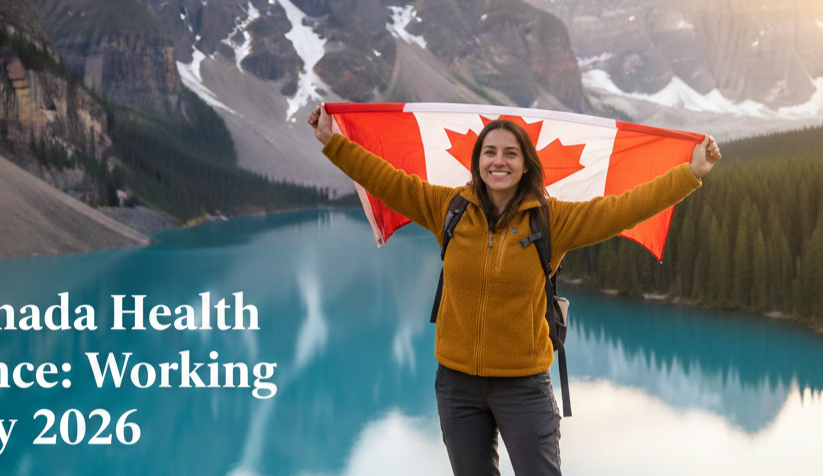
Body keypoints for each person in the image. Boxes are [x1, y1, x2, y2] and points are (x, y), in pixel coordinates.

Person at [307, 105, 721, 476]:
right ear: (477, 162)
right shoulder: (448, 209)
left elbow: (623, 208)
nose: (498, 161)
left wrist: (691, 173)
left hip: (524, 386)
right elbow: (386, 180)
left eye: (510, 153)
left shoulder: (550, 221)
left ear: (526, 165)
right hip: (457, 385)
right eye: (490, 152)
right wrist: (333, 142)